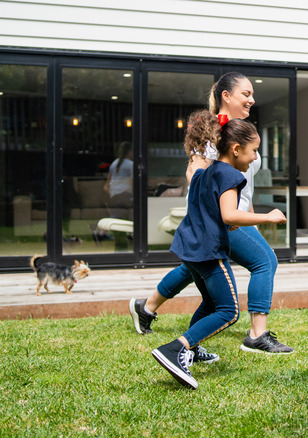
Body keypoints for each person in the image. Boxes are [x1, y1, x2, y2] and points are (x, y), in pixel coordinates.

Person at [130, 72, 294, 359]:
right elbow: (195, 174)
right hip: (220, 218)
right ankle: (257, 335)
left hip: (234, 215)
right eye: (246, 94)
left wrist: (252, 216)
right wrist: (221, 216)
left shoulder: (240, 132)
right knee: (264, 261)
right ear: (226, 96)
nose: (252, 99)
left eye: (252, 94)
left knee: (196, 268)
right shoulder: (211, 133)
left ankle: (146, 307)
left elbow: (246, 186)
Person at [152, 111, 285, 389]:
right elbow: (229, 215)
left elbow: (208, 208)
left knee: (212, 303)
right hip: (208, 251)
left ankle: (191, 349)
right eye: (253, 151)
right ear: (236, 149)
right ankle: (176, 348)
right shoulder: (230, 176)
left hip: (189, 247)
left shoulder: (206, 170)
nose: (253, 158)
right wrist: (267, 216)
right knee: (229, 311)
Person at [103, 141, 133, 219]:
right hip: (125, 196)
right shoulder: (131, 165)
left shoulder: (113, 164)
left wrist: (113, 193)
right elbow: (132, 183)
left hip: (114, 196)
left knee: (121, 215)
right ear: (130, 151)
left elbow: (106, 186)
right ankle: (102, 229)